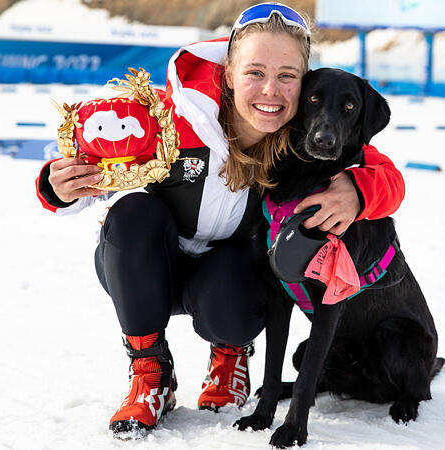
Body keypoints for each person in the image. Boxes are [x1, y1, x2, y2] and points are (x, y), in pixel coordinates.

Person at [34, 2, 406, 436]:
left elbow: (388, 177)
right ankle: (149, 373)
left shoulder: (299, 134)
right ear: (229, 72)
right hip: (151, 270)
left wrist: (358, 192)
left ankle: (229, 357)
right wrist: (57, 186)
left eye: (287, 76)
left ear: (302, 86)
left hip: (226, 283)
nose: (270, 90)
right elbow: (99, 156)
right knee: (132, 212)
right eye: (254, 73)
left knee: (245, 262)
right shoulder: (171, 118)